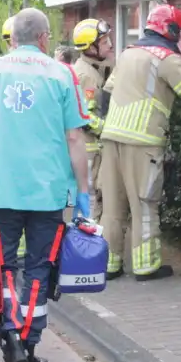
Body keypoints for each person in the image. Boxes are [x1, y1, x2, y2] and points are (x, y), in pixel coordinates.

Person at [0, 7, 91, 362]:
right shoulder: (62, 73)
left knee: (2, 267)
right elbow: (75, 139)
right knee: (38, 270)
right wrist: (83, 191)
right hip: (47, 193)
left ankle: (10, 337)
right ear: (45, 38)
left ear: (12, 37)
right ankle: (29, 349)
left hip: (2, 190)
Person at [99, 4, 181, 281]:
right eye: (180, 33)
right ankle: (146, 266)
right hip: (144, 141)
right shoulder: (167, 58)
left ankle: (110, 265)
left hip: (111, 137)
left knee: (112, 206)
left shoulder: (127, 54)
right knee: (144, 205)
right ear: (170, 30)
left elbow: (107, 93)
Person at [71, 18, 115, 222]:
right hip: (88, 149)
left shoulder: (95, 69)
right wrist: (109, 128)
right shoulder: (85, 75)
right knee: (90, 200)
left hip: (94, 148)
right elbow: (84, 115)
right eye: (105, 42)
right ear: (91, 47)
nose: (111, 45)